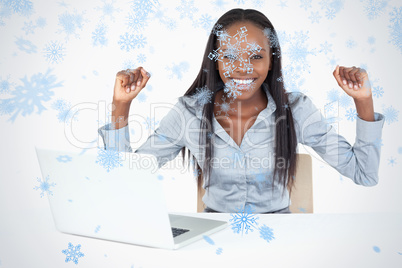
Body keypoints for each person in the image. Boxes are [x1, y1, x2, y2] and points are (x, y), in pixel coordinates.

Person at [98, 9, 384, 214]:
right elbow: (122, 182)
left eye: (256, 56)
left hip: (282, 239)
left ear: (272, 61)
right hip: (214, 241)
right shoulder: (189, 113)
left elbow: (365, 173)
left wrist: (364, 100)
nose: (243, 68)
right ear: (216, 60)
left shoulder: (296, 109)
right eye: (230, 56)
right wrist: (121, 106)